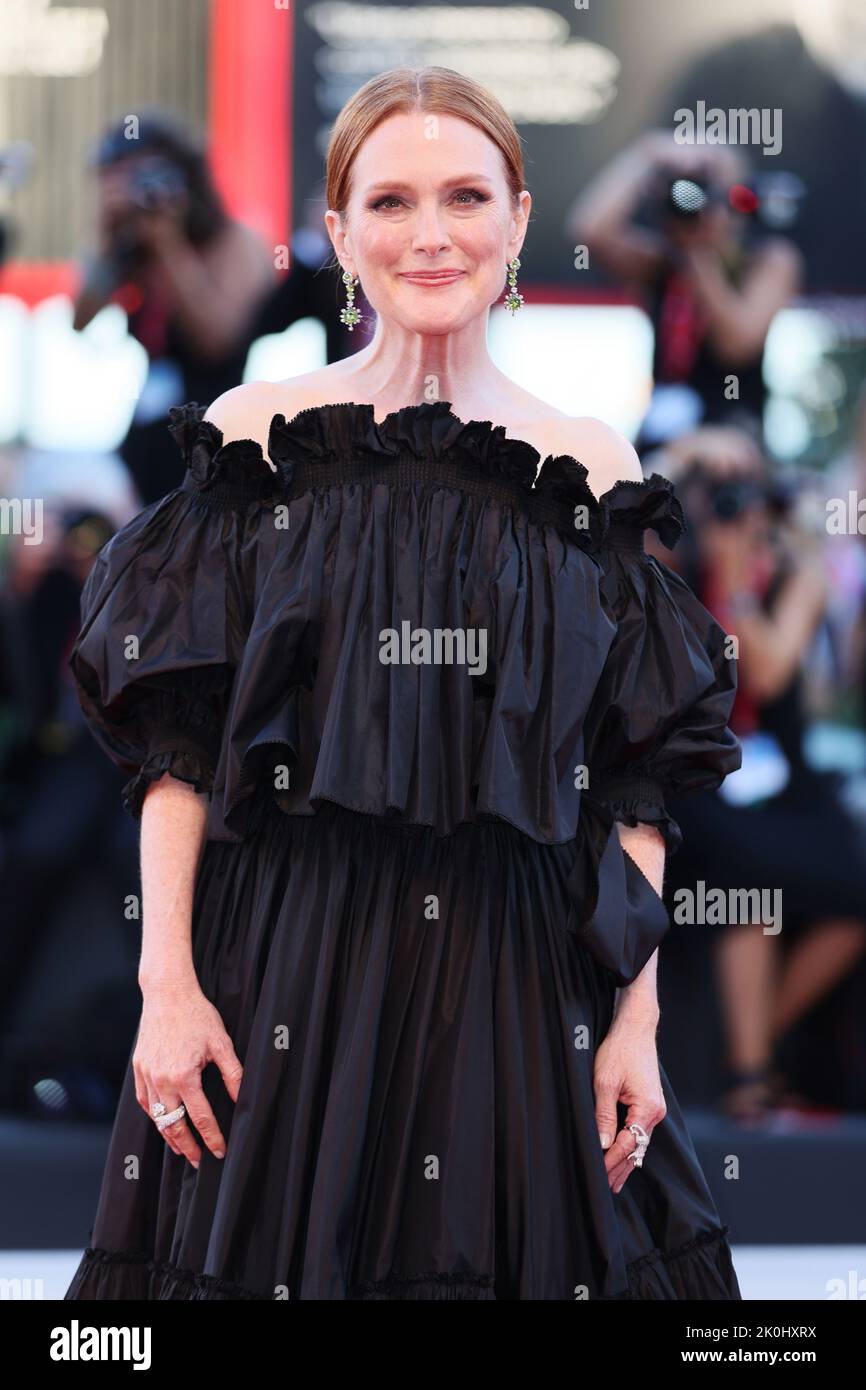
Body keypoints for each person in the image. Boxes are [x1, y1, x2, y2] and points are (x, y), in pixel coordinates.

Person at [63, 67, 743, 1300]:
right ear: (336, 234)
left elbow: (636, 783)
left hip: (522, 978)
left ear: (518, 220)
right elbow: (180, 746)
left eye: (464, 196)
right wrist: (165, 984)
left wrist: (635, 1021)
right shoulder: (256, 437)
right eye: (389, 201)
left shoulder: (589, 463)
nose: (429, 234)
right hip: (282, 968)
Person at [73, 111, 275, 505]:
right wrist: (108, 239)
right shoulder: (133, 248)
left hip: (218, 440)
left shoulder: (236, 241)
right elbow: (80, 320)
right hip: (149, 440)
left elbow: (218, 341)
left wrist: (169, 245)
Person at [567, 130, 801, 449]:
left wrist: (700, 255)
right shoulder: (664, 262)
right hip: (661, 443)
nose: (699, 203)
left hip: (733, 444)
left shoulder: (769, 259)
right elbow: (589, 232)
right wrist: (647, 156)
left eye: (710, 189)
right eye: (689, 189)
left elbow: (737, 343)